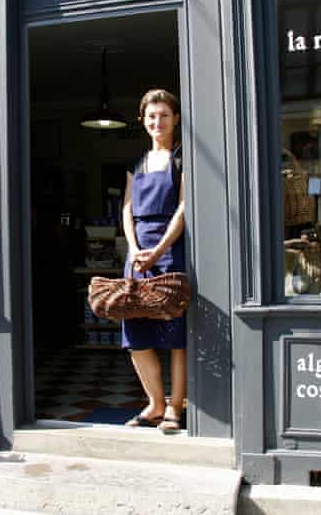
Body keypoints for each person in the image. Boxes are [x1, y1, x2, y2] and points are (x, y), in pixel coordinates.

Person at [121, 89, 186, 433]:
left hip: (171, 250)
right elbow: (128, 209)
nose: (157, 122)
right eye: (151, 116)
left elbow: (184, 208)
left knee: (175, 332)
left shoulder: (182, 160)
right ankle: (155, 404)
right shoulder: (137, 163)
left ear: (175, 118)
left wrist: (159, 250)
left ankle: (176, 406)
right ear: (143, 121)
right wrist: (133, 249)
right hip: (137, 254)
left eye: (163, 115)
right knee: (134, 331)